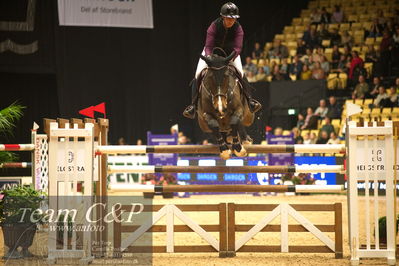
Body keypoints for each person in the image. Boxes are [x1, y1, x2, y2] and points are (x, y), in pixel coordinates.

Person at [183, 2, 260, 119]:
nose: (231, 21)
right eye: (228, 18)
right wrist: (210, 59)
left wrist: (230, 59)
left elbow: (238, 48)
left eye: (233, 19)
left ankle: (250, 101)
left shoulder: (238, 28)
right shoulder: (213, 26)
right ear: (222, 17)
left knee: (240, 72)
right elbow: (208, 46)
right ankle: (193, 106)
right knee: (198, 74)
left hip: (230, 55)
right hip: (212, 55)